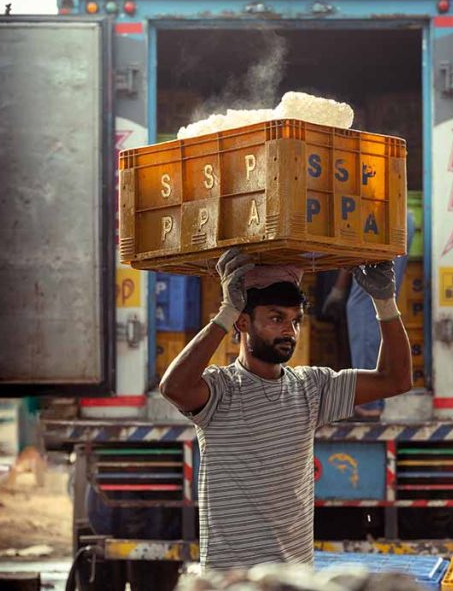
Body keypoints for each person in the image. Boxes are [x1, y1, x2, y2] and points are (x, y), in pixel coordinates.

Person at [158, 250, 412, 571]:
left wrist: (385, 302)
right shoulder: (220, 390)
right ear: (243, 321)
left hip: (293, 580)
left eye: (295, 320)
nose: (289, 332)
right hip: (231, 582)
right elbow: (174, 388)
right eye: (277, 319)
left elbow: (396, 379)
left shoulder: (311, 387)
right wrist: (225, 312)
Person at [323, 210, 417, 418]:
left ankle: (370, 404)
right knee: (376, 303)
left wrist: (338, 290)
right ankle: (373, 400)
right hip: (389, 220)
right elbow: (351, 256)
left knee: (366, 306)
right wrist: (338, 289)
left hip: (378, 221)